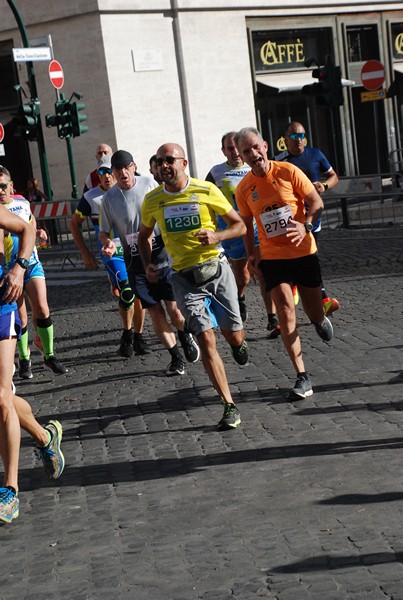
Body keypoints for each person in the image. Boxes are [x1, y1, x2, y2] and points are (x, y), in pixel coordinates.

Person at [138, 143, 248, 431]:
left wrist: (217, 235)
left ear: (183, 163)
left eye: (169, 160)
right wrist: (148, 263)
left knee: (233, 335)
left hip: (216, 271)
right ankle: (228, 405)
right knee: (206, 339)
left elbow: (240, 226)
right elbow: (143, 237)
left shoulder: (205, 190)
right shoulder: (152, 200)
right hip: (183, 278)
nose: (164, 165)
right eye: (159, 161)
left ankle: (238, 344)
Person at [234, 127, 334, 399]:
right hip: (272, 257)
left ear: (265, 146)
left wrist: (306, 225)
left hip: (303, 252)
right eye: (246, 151)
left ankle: (318, 317)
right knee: (286, 312)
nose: (253, 153)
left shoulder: (288, 172)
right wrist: (251, 255)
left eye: (255, 147)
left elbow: (316, 202)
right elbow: (246, 224)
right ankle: (302, 376)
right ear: (241, 157)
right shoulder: (244, 189)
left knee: (313, 311)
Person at [99, 150, 200, 376]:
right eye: (117, 170)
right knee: (154, 310)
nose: (123, 173)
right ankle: (175, 357)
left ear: (134, 167)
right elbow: (104, 232)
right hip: (134, 261)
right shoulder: (109, 198)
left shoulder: (148, 184)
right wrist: (109, 243)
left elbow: (165, 210)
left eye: (126, 168)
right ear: (114, 173)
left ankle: (185, 336)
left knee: (173, 309)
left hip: (160, 253)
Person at [0, 197, 64, 524]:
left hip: (0, 305)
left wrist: (18, 267)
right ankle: (44, 437)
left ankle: (9, 490)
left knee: (0, 397)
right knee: (4, 397)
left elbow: (27, 228)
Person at [69, 155, 148, 357]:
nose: (106, 177)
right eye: (101, 173)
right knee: (127, 292)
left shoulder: (136, 187)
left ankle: (137, 335)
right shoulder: (91, 197)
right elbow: (73, 224)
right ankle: (127, 332)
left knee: (140, 296)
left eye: (108, 172)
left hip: (134, 249)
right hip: (111, 252)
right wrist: (86, 253)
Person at [205, 131, 280, 338]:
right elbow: (207, 201)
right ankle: (240, 297)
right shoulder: (216, 172)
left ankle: (272, 317)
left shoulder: (253, 166)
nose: (235, 152)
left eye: (237, 148)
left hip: (258, 228)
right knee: (243, 277)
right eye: (230, 149)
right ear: (224, 151)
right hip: (234, 231)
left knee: (263, 270)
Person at [0, 166, 68, 378]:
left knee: (42, 309)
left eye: (3, 186)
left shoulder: (22, 203)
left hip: (31, 264)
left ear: (11, 186)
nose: (0, 190)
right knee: (20, 317)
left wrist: (39, 232)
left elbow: (31, 225)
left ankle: (49, 356)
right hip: (9, 270)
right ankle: (25, 359)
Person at [275, 121, 340, 316]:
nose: (299, 140)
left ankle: (302, 291)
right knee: (304, 259)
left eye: (302, 135)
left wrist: (324, 186)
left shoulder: (315, 155)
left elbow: (333, 176)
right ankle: (321, 299)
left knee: (310, 258)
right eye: (294, 136)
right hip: (291, 219)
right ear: (285, 139)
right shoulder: (279, 161)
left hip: (313, 218)